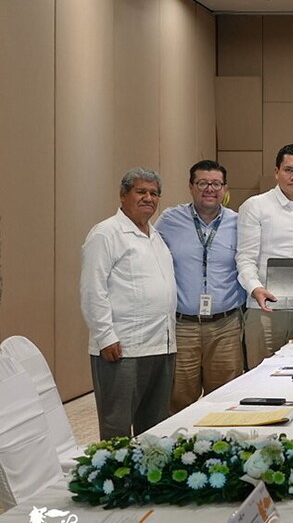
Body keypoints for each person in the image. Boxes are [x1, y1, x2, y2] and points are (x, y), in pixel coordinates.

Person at [80, 168, 176, 439]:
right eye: (141, 191)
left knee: (155, 426)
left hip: (161, 344)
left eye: (154, 193)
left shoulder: (155, 236)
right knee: (117, 426)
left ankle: (148, 480)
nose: (149, 198)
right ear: (123, 195)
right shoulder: (106, 233)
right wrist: (105, 335)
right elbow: (92, 289)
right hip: (122, 347)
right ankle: (115, 479)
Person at [155, 160, 246, 413]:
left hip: (226, 326)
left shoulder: (239, 223)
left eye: (216, 184)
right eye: (203, 183)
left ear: (225, 188)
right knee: (178, 399)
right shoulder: (169, 221)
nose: (210, 189)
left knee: (225, 401)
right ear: (191, 186)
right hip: (183, 326)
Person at [236, 144, 293, 367]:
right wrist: (255, 288)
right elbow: (245, 258)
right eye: (288, 170)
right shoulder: (256, 206)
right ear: (276, 172)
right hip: (265, 309)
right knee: (260, 378)